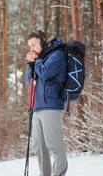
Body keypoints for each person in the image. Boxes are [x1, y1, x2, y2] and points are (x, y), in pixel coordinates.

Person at [25, 30, 68, 176]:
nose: (31, 48)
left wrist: (35, 61)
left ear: (42, 42)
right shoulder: (39, 60)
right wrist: (30, 65)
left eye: (33, 45)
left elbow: (45, 73)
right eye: (29, 46)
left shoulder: (57, 55)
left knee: (53, 144)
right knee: (38, 146)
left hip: (51, 105)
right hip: (37, 107)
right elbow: (29, 81)